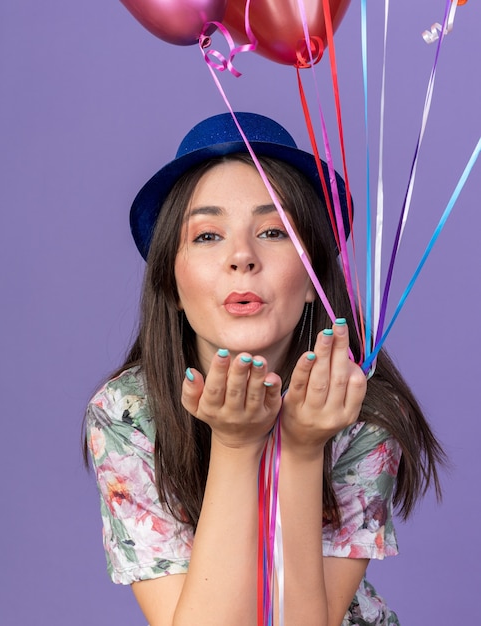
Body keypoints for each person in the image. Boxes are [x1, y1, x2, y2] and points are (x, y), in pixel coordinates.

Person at [84, 112, 445, 626]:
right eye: (207, 236)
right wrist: (235, 445)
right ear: (171, 281)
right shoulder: (127, 414)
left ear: (315, 272)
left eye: (274, 231)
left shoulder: (360, 410)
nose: (241, 258)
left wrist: (302, 448)